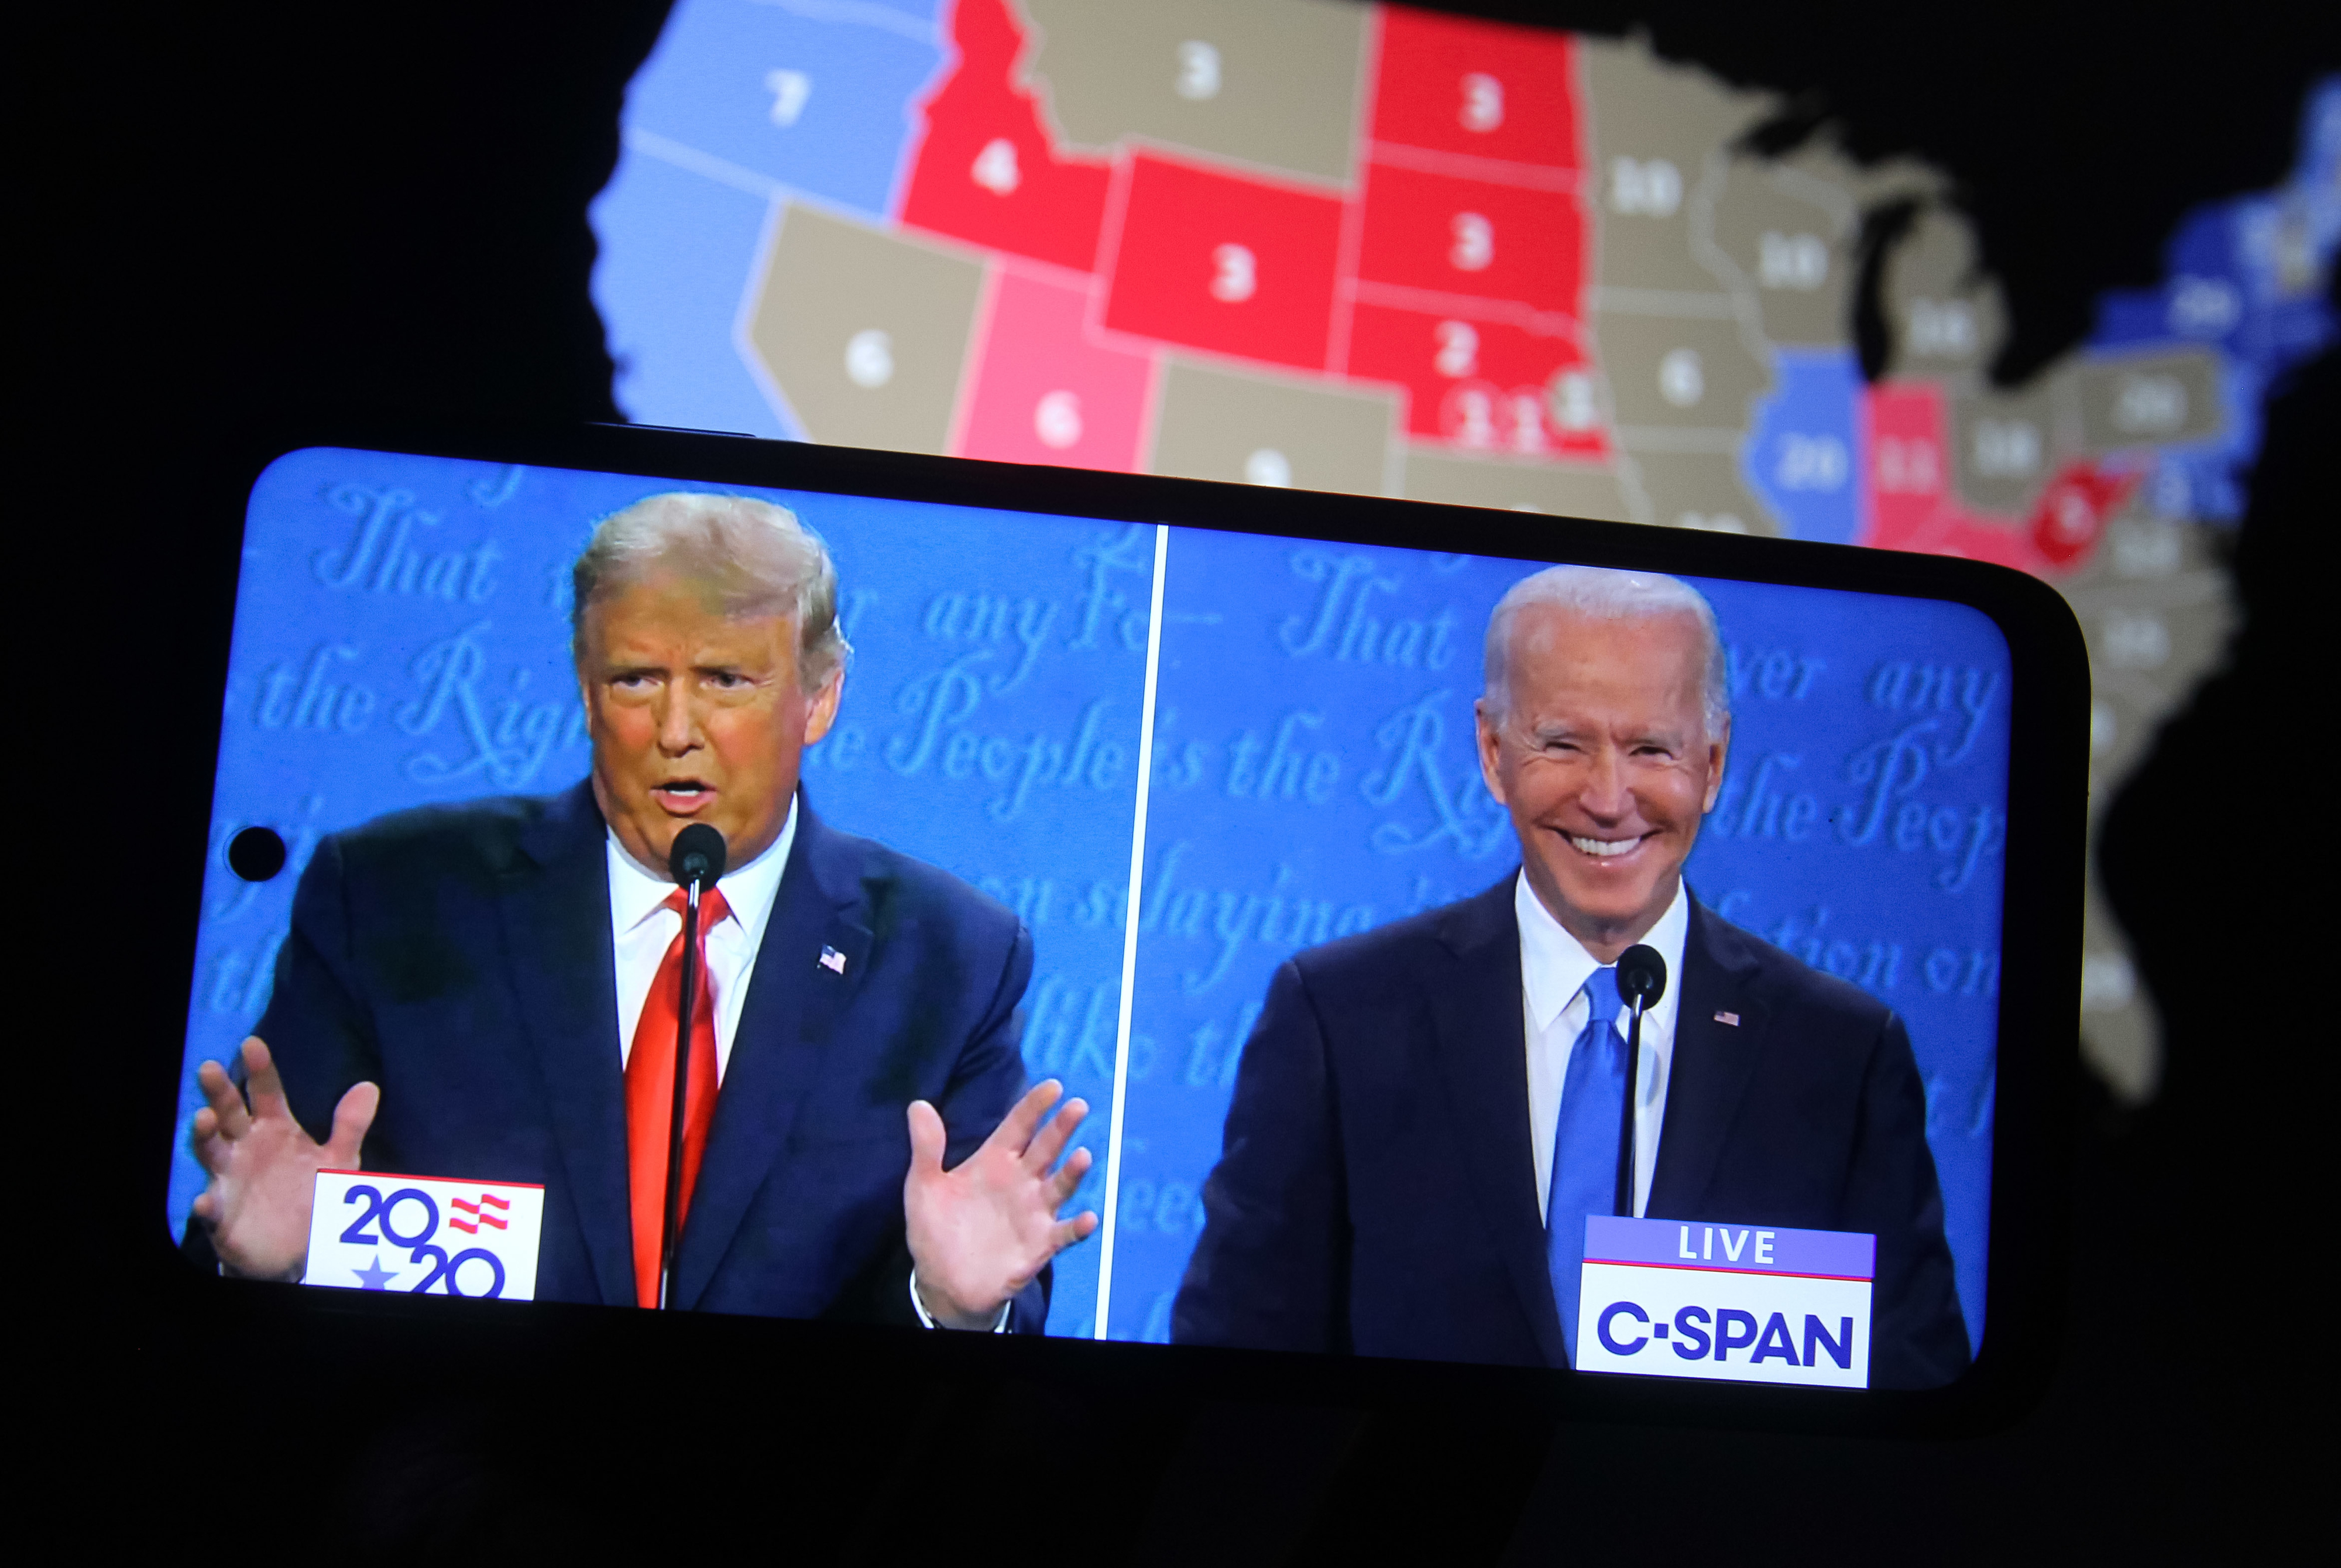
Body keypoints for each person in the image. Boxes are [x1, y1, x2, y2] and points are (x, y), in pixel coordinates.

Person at [187, 493, 1096, 1330]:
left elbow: (973, 1336)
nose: (675, 729)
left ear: (819, 698)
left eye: (725, 680)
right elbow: (265, 1234)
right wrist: (269, 1268)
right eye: (635, 680)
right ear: (586, 692)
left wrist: (948, 1302)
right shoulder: (392, 901)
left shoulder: (950, 959)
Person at [1171, 565, 1970, 1388]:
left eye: (1652, 749)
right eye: (1563, 744)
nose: (1609, 798)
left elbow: (1915, 1391)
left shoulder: (1839, 1056)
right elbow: (1230, 1365)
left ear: (1716, 764)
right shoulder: (1340, 1018)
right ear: (1492, 752)